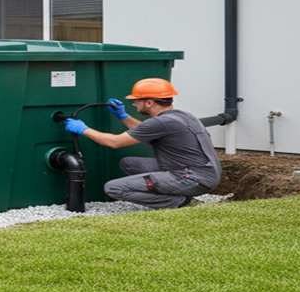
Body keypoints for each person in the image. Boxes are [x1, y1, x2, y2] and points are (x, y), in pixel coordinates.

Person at [64, 78, 222, 210]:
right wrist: (123, 116)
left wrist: (83, 129)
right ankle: (174, 192)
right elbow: (144, 130)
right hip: (203, 173)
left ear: (149, 103)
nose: (134, 104)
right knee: (129, 163)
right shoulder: (183, 116)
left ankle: (181, 202)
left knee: (113, 188)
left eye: (136, 100)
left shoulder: (162, 122)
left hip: (191, 178)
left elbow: (114, 142)